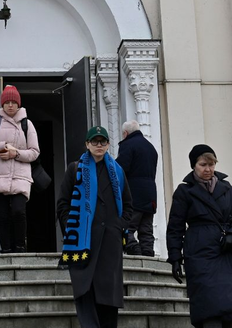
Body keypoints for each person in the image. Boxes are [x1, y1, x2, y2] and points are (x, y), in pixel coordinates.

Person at [166, 144, 232, 328]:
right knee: (210, 312)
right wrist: (175, 257)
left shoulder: (225, 187)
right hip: (200, 253)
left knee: (230, 312)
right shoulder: (184, 191)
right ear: (194, 166)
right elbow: (175, 227)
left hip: (226, 252)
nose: (208, 169)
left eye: (212, 164)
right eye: (203, 164)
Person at [57, 126, 133, 328]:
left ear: (108, 144)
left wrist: (118, 226)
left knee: (108, 300)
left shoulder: (118, 172)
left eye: (103, 141)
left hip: (110, 243)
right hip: (83, 243)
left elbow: (128, 206)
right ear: (87, 144)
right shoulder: (75, 169)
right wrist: (73, 227)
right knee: (85, 294)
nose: (99, 145)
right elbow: (63, 204)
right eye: (94, 141)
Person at [0, 85, 41, 252]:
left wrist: (15, 153)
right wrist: (2, 146)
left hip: (20, 177)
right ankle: (5, 250)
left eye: (14, 102)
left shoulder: (27, 124)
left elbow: (34, 152)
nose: (11, 105)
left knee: (19, 212)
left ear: (19, 104)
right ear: (2, 104)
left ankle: (20, 247)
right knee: (3, 215)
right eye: (7, 102)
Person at [116, 120, 158, 256]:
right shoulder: (151, 147)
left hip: (134, 194)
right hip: (150, 194)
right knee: (146, 228)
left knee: (128, 226)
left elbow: (121, 169)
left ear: (125, 133)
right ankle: (148, 253)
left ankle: (134, 249)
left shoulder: (128, 145)